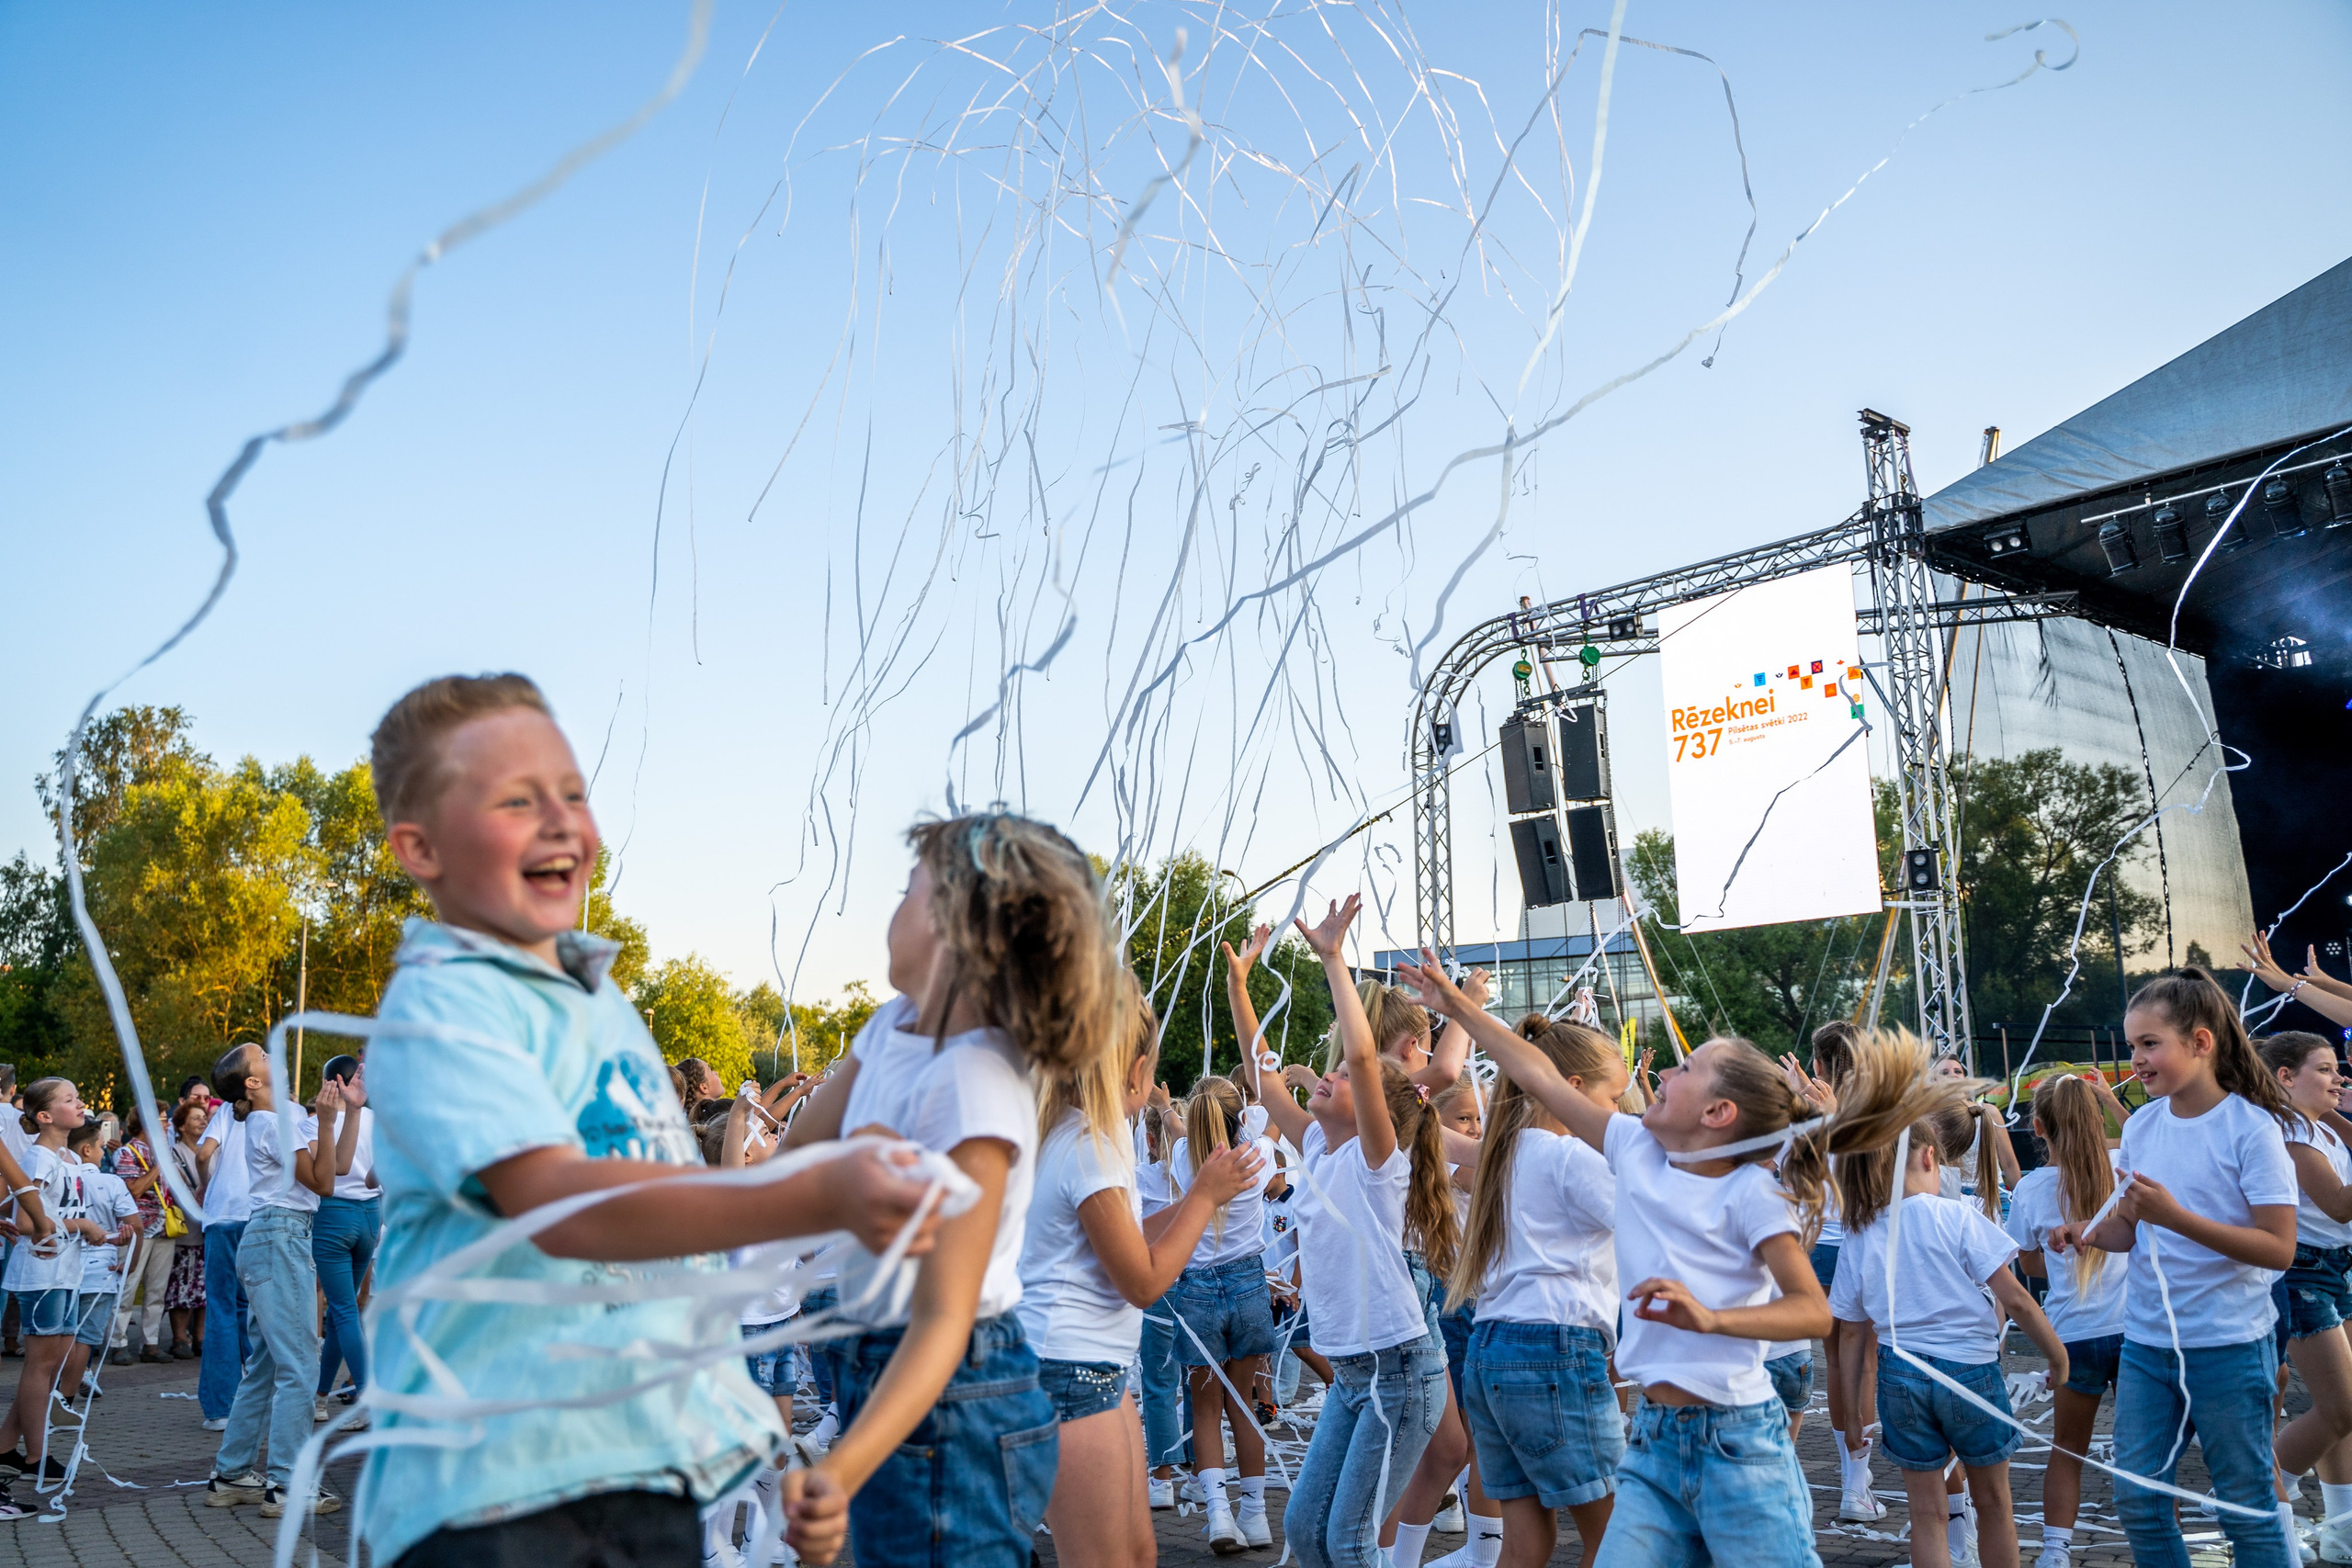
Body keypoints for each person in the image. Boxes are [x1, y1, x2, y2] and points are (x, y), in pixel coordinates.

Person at [360, 673, 939, 1568]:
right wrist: (809, 1197)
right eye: (517, 800)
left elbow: (676, 1237)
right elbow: (562, 1205)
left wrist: (753, 1442)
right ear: (421, 848)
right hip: (499, 1487)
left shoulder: (597, 1002)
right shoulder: (447, 1002)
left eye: (572, 793)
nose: (560, 820)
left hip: (637, 1467)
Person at [1404, 951, 1966, 1568]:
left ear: (1717, 1114)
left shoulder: (1751, 1191)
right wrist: (1454, 1004)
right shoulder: (1635, 1148)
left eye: (1687, 1067)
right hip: (1653, 1440)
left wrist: (1711, 1317)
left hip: (1738, 1439)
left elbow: (1812, 1311)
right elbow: (1537, 1075)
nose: (1667, 1070)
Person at [778, 812, 1123, 1568]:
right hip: (888, 1366)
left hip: (955, 1395)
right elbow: (801, 1150)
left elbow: (944, 1317)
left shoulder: (975, 1083)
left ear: (956, 928)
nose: (891, 906)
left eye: (907, 889)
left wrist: (840, 1468)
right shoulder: (889, 1027)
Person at [2049, 967, 2300, 1568]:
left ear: (2201, 1041)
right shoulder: (2141, 1124)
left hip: (2230, 1345)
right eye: (2132, 1044)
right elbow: (2128, 1228)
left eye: (2149, 1043)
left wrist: (2175, 1215)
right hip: (2147, 1344)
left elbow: (2279, 1247)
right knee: (2138, 1499)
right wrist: (2086, 1233)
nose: (2135, 1058)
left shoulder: (2252, 1129)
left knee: (2245, 1507)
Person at [1233, 897, 1456, 1568]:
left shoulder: (1375, 1162)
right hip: (1358, 1377)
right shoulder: (1321, 1152)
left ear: (1371, 1108)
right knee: (1305, 1528)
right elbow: (1261, 1074)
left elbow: (1361, 1054)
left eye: (1340, 1078)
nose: (1324, 1077)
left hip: (1401, 1374)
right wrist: (1241, 986)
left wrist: (1333, 958)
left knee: (1349, 1540)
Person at [1022, 978, 1265, 1568]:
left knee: (1138, 1554)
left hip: (1092, 1375)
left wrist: (1196, 1200)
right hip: (1068, 1376)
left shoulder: (1081, 1135)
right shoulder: (1088, 1144)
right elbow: (1143, 1281)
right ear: (1133, 1069)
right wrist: (1205, 1198)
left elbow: (1126, 1241)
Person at [1831, 1099, 2069, 1568]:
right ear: (1928, 1158)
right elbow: (2018, 1299)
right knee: (1995, 1504)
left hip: (1901, 1378)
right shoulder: (1958, 1218)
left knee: (1926, 1513)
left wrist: (1853, 1415)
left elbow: (1852, 1336)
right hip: (1971, 1372)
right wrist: (2057, 1357)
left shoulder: (1860, 1232)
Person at [1444, 1016, 1626, 1568]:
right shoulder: (1569, 1156)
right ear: (1571, 1090)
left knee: (1524, 1544)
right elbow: (1649, 1221)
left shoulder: (1503, 1154)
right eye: (1613, 1098)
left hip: (1491, 1351)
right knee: (1619, 1537)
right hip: (1554, 1352)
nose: (1617, 1114)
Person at [201, 1043, 363, 1517]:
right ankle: (288, 1485)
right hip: (278, 1236)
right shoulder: (268, 1123)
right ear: (251, 1081)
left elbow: (339, 1165)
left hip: (279, 1238)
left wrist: (349, 1112)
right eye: (262, 1057)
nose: (273, 1056)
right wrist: (328, 1121)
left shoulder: (285, 1113)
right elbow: (324, 1184)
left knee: (270, 1366)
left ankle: (231, 1474)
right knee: (301, 1367)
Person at [2004, 1073, 2128, 1568]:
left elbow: (2028, 1264)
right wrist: (2110, 1101)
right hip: (2135, 1330)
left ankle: (2055, 1553)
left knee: (2067, 1449)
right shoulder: (2123, 1167)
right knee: (2145, 1454)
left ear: (2037, 1127)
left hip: (2071, 1333)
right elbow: (2145, 1132)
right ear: (2095, 1117)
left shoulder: (2032, 1187)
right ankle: (2164, 1547)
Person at [1164, 1073, 1282, 1551]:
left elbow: (1178, 1134)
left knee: (1206, 1409)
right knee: (1245, 1406)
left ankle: (1218, 1517)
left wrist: (1166, 1108)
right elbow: (1268, 1127)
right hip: (1248, 1283)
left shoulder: (1182, 1158)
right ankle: (1256, 1516)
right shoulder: (1258, 1155)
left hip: (1196, 1291)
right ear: (1241, 1117)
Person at [2257, 1032, 2352, 1559]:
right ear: (2285, 1078)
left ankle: (2342, 1528)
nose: (2338, 1078)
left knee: (2342, 1409)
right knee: (2343, 1406)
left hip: (2335, 1269)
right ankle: (2259, 1491)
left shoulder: (2321, 1127)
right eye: (2325, 1069)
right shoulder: (2290, 1134)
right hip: (2303, 1273)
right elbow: (2338, 1205)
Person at [0, 1079, 108, 1519]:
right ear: (44, 1116)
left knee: (49, 1366)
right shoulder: (39, 1156)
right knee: (41, 1366)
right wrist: (82, 1228)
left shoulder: (65, 1157)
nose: (80, 1102)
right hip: (42, 1274)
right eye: (69, 1099)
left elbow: (61, 1214)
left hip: (66, 1271)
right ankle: (34, 1459)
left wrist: (98, 1231)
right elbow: (27, 1222)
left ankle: (8, 1448)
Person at [310, 1053, 379, 1417]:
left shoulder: (321, 1120)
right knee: (342, 1313)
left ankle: (368, 1397)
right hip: (370, 1215)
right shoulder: (380, 1121)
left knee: (342, 1310)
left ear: (332, 1082)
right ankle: (320, 1395)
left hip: (333, 1215)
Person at [194, 1048, 259, 1429]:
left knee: (220, 1307)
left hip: (222, 1214)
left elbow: (204, 1155)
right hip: (258, 1215)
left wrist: (208, 1187)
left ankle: (220, 1407)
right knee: (250, 1309)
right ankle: (254, 1397)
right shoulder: (281, 1111)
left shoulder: (224, 1113)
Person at [62, 1120, 139, 1404]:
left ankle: (60, 1385)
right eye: (99, 1148)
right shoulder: (111, 1182)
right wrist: (130, 1263)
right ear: (86, 1149)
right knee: (86, 1336)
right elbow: (136, 1226)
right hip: (100, 1271)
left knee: (65, 1332)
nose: (103, 1153)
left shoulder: (61, 1178)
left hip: (64, 1267)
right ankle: (66, 1396)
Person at [107, 1106, 175, 1363]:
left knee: (157, 1290)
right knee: (127, 1286)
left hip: (164, 1228)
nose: (167, 1126)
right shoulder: (126, 1152)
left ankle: (151, 1343)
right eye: (163, 1121)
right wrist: (161, 1167)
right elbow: (133, 1190)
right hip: (137, 1229)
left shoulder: (165, 1152)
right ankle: (118, 1342)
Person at [164, 1099, 209, 1359]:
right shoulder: (174, 1153)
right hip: (186, 1227)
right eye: (195, 1117)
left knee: (204, 1287)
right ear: (180, 1126)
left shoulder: (213, 1150)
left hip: (208, 1228)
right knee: (183, 1285)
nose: (202, 1120)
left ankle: (201, 1337)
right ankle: (180, 1337)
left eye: (204, 1116)